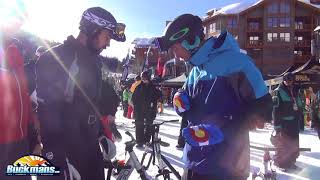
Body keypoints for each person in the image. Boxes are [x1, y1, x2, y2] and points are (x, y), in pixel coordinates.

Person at [154, 14, 272, 180]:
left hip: (226, 167)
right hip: (193, 162)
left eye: (175, 48)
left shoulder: (238, 63)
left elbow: (264, 108)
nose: (176, 55)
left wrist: (226, 128)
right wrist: (179, 98)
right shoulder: (195, 70)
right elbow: (185, 96)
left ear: (191, 41)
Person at [36, 7, 126, 180]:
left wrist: (101, 134)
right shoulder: (56, 57)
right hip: (65, 152)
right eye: (107, 37)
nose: (108, 44)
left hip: (90, 147)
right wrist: (55, 159)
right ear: (93, 30)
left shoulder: (94, 62)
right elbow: (46, 111)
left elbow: (91, 104)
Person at [0, 1, 40, 179]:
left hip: (20, 141)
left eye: (21, 19)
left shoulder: (15, 50)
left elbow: (22, 97)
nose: (18, 23)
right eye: (14, 17)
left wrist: (33, 135)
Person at [272, 72, 302, 169]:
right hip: (284, 123)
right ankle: (282, 164)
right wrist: (277, 127)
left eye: (291, 80)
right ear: (283, 80)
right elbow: (275, 110)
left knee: (294, 144)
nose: (289, 82)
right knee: (283, 145)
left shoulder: (295, 90)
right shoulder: (278, 91)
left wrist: (301, 120)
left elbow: (299, 104)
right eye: (287, 80)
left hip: (294, 122)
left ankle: (292, 162)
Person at [131, 71, 161, 147]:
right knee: (139, 125)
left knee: (149, 125)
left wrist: (158, 100)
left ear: (149, 78)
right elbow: (134, 98)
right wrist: (136, 106)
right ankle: (139, 141)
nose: (144, 80)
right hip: (139, 110)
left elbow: (158, 96)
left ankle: (147, 140)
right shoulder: (139, 87)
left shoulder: (153, 87)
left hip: (150, 109)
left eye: (145, 79)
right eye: (142, 79)